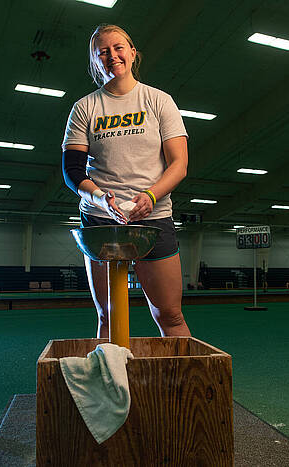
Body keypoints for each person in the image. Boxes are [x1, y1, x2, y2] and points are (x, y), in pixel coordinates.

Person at [62, 23, 191, 338]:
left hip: (153, 217)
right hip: (101, 220)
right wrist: (100, 198)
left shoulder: (158, 101)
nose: (112, 56)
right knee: (108, 316)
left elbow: (179, 164)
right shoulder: (85, 107)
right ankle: (109, 372)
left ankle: (180, 372)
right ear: (95, 62)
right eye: (102, 52)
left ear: (133, 52)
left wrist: (151, 196)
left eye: (118, 47)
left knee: (170, 315)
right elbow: (73, 171)